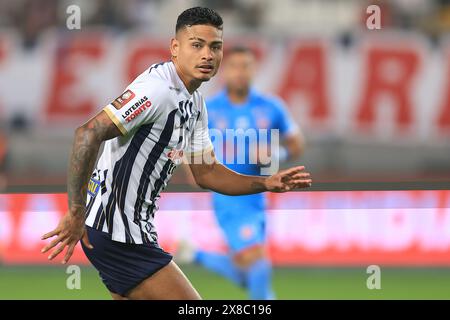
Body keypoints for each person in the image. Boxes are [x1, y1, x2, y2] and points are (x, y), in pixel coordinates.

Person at [40, 7, 312, 300]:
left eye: (215, 46)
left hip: (130, 231)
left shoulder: (195, 103)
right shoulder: (158, 90)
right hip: (117, 232)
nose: (207, 54)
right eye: (197, 45)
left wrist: (265, 183)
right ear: (175, 48)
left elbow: (207, 172)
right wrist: (76, 211)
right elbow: (88, 133)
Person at [186, 46, 304, 300]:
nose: (241, 72)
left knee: (248, 269)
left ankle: (197, 255)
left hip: (259, 195)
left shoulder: (271, 106)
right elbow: (187, 144)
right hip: (228, 197)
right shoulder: (207, 108)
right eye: (235, 66)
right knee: (258, 263)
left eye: (246, 66)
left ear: (254, 71)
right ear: (224, 71)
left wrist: (275, 154)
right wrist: (193, 169)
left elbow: (297, 143)